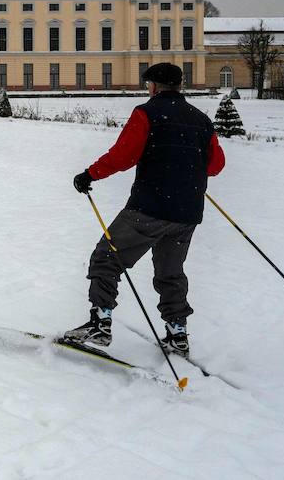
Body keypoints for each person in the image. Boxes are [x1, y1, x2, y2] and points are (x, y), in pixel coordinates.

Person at [65, 63, 225, 357]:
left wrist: (89, 175)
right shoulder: (200, 119)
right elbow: (215, 165)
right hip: (186, 212)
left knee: (106, 258)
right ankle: (177, 334)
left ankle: (100, 323)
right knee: (170, 272)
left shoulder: (147, 113)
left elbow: (123, 155)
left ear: (152, 86)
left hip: (149, 208)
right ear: (180, 85)